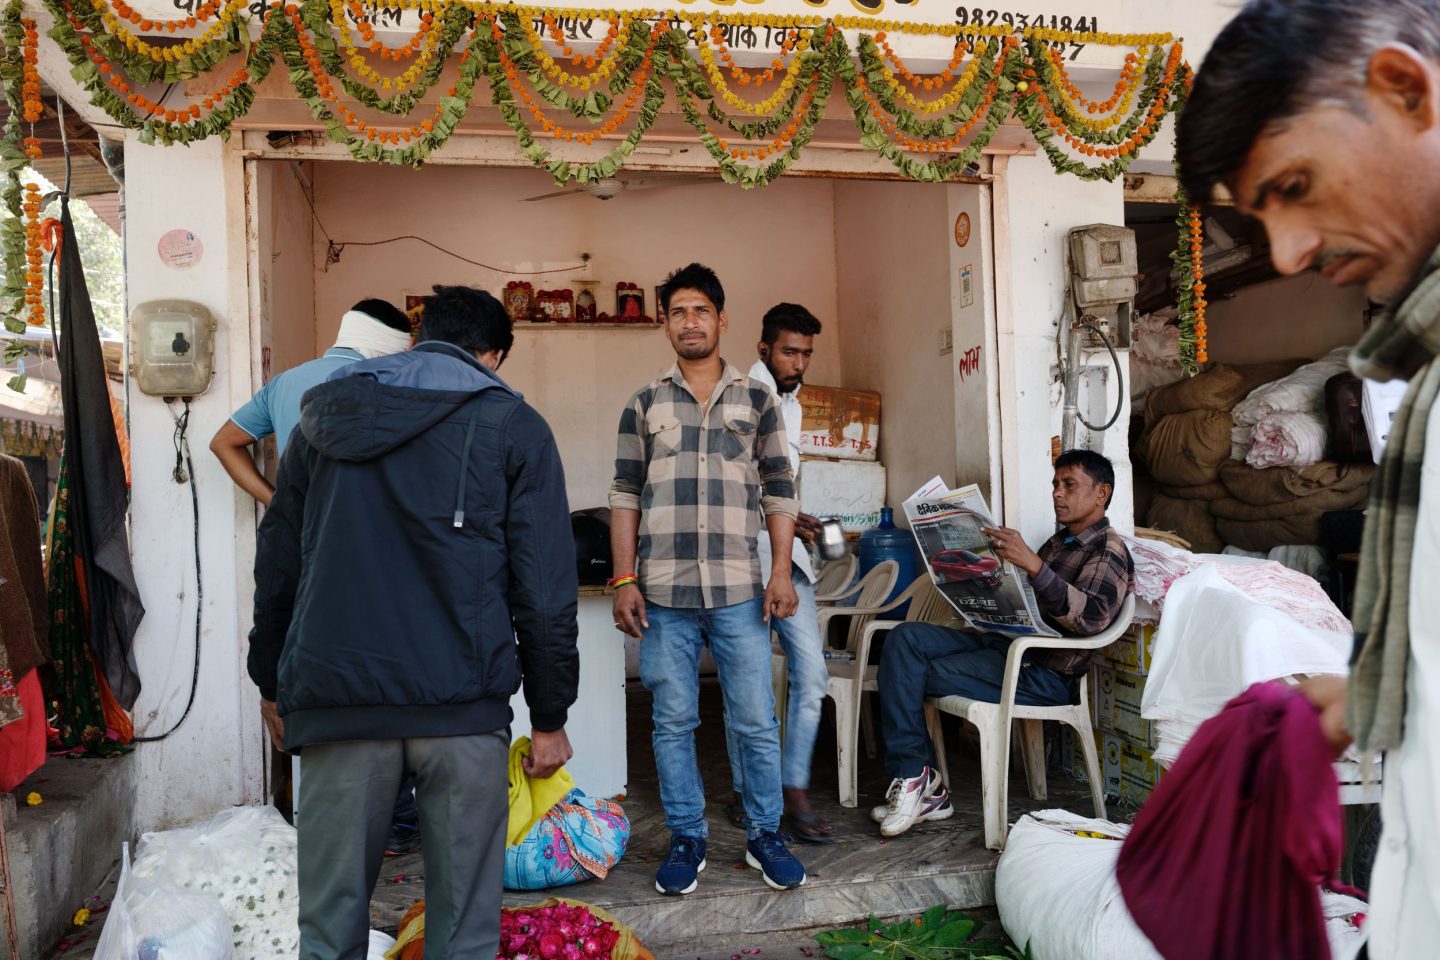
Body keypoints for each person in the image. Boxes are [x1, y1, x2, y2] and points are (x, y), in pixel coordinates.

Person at [1176, 2, 1440, 953]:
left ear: (1406, 90)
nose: (1289, 256)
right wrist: (1372, 695)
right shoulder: (1420, 379)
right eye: (1263, 219)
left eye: (1293, 186)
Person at [248, 285, 579, 958]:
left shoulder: (322, 418)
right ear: (493, 355)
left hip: (341, 705)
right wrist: (550, 715)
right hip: (461, 712)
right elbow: (544, 592)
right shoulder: (515, 426)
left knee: (328, 931)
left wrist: (269, 677)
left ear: (417, 337)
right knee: (463, 935)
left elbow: (279, 558)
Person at [609, 262, 807, 896]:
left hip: (739, 592)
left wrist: (781, 572)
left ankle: (764, 834)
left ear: (722, 320)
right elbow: (623, 493)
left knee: (754, 719)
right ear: (664, 324)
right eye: (676, 312)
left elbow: (780, 491)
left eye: (700, 310)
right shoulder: (643, 403)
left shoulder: (759, 400)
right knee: (672, 721)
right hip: (663, 593)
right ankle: (687, 836)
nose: (688, 322)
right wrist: (622, 578)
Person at [211, 297, 423, 857]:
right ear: (394, 344)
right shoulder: (388, 380)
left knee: (306, 665)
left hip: (299, 550)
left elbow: (223, 442)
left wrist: (277, 500)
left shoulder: (288, 382)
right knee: (385, 676)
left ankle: (323, 815)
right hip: (371, 556)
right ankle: (397, 820)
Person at [874, 450, 1133, 837]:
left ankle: (915, 777)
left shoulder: (1107, 550)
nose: (1057, 494)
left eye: (1069, 485)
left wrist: (1033, 565)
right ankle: (922, 781)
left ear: (1101, 493)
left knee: (910, 670)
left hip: (1040, 674)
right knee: (903, 639)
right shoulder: (1060, 543)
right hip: (1003, 647)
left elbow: (1092, 618)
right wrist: (987, 586)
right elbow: (1029, 601)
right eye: (1055, 485)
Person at [723, 302, 833, 843]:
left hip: (790, 562)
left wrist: (795, 514)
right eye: (790, 351)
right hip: (745, 562)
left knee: (811, 674)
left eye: (807, 353)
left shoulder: (792, 406)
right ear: (764, 348)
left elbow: (779, 484)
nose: (800, 362)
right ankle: (748, 790)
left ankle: (793, 785)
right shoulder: (740, 395)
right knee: (747, 682)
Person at [211, 299, 412, 506]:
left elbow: (223, 442)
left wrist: (276, 503)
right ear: (387, 348)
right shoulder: (386, 385)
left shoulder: (283, 382)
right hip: (363, 526)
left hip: (300, 526)